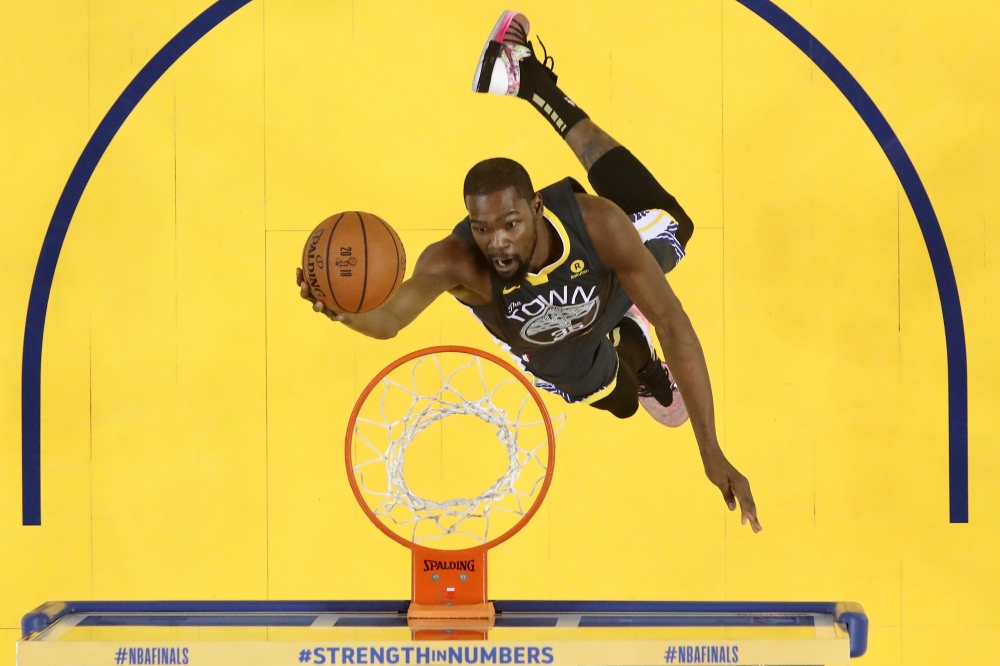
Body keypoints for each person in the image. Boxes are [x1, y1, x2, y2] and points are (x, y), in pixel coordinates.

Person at [297, 11, 761, 532]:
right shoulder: (457, 262)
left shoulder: (597, 223)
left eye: (510, 223)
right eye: (481, 226)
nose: (496, 241)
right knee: (626, 401)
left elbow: (675, 325)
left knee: (672, 225)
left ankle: (534, 85)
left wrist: (712, 451)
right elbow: (389, 319)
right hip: (549, 346)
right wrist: (340, 310)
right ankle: (633, 347)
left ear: (538, 208)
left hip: (602, 282)